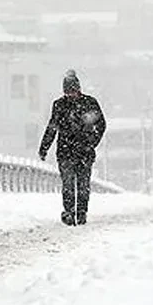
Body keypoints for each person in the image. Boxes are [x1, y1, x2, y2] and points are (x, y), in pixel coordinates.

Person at [38, 69, 106, 226]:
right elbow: (52, 127)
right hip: (67, 152)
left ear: (78, 89)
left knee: (83, 184)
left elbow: (101, 124)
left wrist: (91, 143)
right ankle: (69, 212)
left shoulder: (89, 103)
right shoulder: (60, 105)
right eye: (68, 92)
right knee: (68, 184)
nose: (70, 95)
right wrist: (44, 147)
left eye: (72, 91)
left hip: (82, 151)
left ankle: (81, 212)